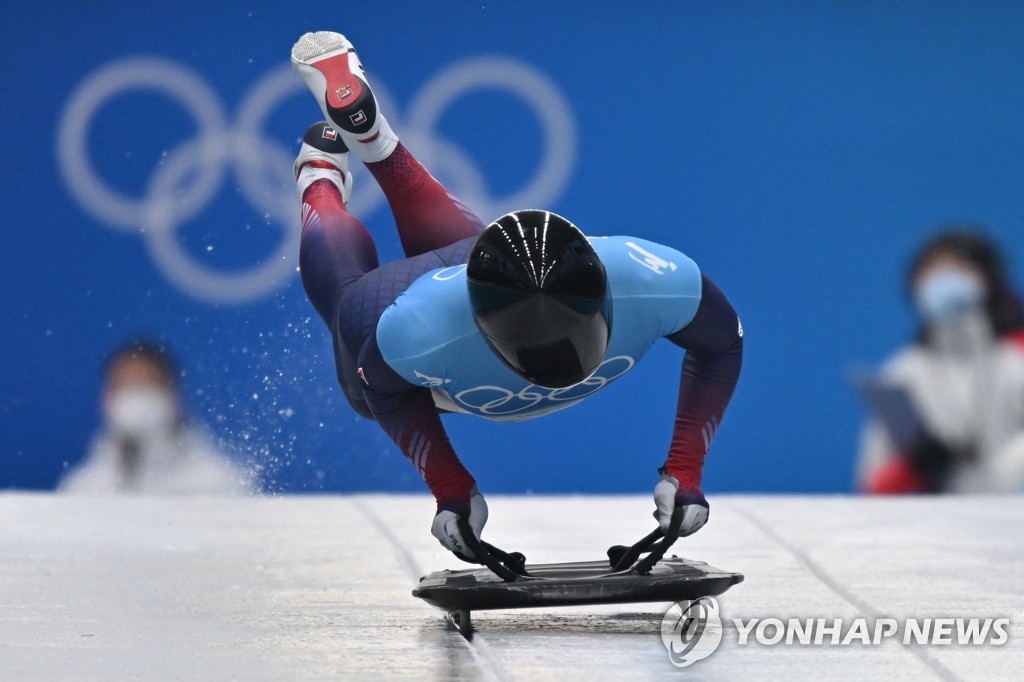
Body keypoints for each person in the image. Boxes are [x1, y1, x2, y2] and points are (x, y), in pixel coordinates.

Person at [290, 31, 743, 560]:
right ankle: (319, 177)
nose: (556, 357)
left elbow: (723, 343)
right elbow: (385, 392)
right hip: (425, 312)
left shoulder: (657, 280)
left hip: (465, 287)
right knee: (351, 330)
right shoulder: (412, 332)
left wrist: (688, 467)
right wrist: (450, 487)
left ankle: (372, 143)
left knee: (475, 248)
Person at [858, 230, 1024, 494]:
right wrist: (915, 467)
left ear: (988, 279)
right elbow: (873, 484)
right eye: (931, 272)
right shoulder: (903, 372)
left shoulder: (1016, 360)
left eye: (959, 269)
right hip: (937, 525)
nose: (944, 280)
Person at [59, 341, 255, 495]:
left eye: (147, 385)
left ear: (175, 395)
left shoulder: (220, 483)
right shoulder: (83, 487)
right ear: (106, 398)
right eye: (125, 386)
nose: (136, 399)